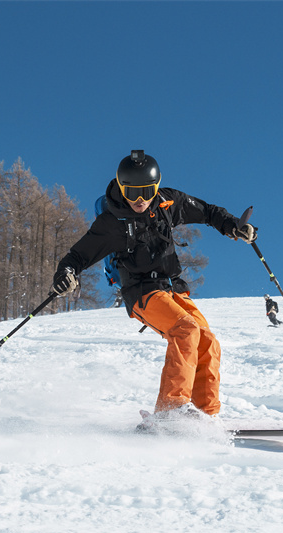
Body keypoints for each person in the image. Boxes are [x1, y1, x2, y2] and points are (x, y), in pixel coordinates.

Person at [51, 150, 256, 424]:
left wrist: (232, 226)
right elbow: (78, 255)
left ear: (156, 187)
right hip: (142, 291)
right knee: (186, 329)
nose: (140, 200)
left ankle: (207, 417)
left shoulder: (167, 202)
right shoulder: (112, 223)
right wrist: (66, 272)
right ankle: (171, 412)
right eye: (132, 192)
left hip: (172, 287)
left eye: (146, 191)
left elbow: (207, 212)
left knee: (207, 340)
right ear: (122, 188)